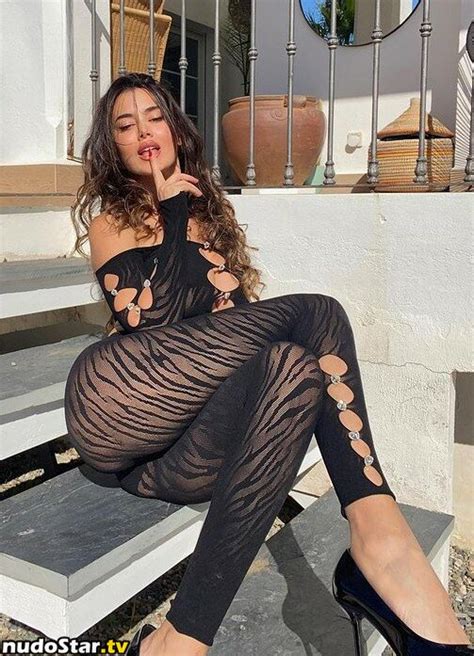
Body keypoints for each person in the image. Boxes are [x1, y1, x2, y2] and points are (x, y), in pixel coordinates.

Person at [64, 73, 472, 656]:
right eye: (126, 126)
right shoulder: (113, 223)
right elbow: (151, 326)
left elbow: (238, 351)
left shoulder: (210, 217)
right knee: (317, 313)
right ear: (115, 147)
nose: (144, 132)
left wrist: (190, 219)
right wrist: (172, 213)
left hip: (184, 456)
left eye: (155, 117)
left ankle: (180, 637)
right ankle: (382, 544)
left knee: (294, 366)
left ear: (176, 130)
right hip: (118, 407)